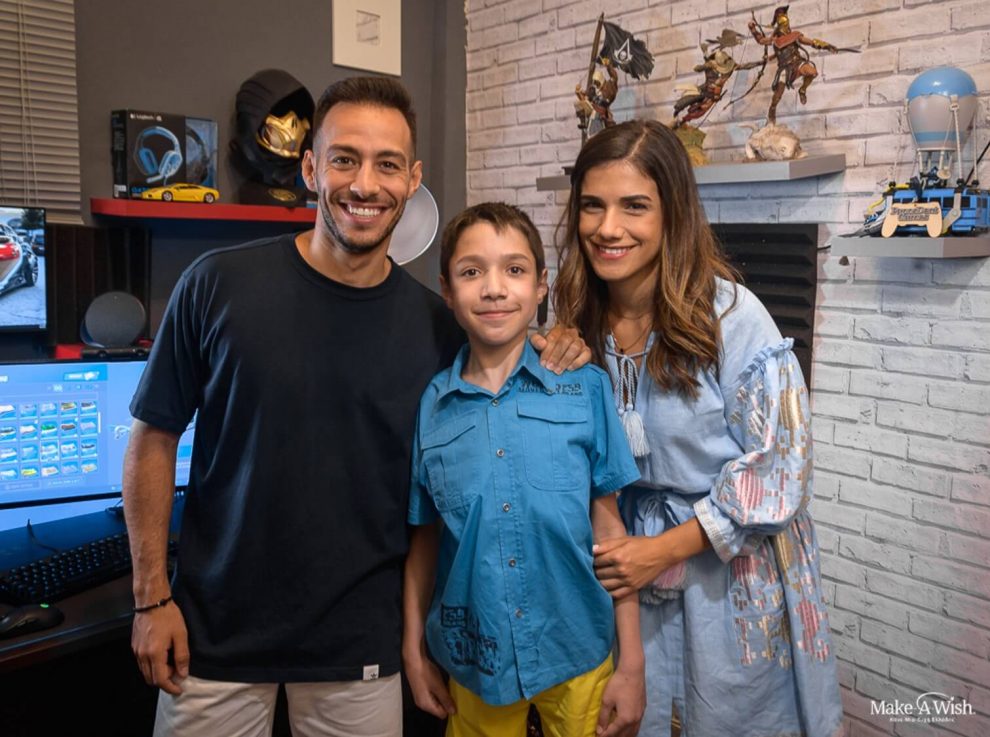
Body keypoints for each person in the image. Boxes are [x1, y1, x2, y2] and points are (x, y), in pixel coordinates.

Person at [123, 76, 588, 737]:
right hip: (211, 639)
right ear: (311, 168)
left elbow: (502, 378)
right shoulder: (217, 285)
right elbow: (153, 438)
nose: (365, 184)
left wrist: (560, 342)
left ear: (412, 179)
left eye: (387, 164)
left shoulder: (438, 330)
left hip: (361, 648)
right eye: (345, 159)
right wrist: (151, 597)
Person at [552, 119, 843, 737]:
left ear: (673, 213)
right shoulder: (580, 317)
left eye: (634, 206)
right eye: (592, 206)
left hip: (725, 579)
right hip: (623, 576)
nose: (608, 228)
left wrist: (660, 550)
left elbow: (781, 469)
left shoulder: (732, 317)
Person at [403, 202, 644, 737]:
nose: (494, 289)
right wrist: (413, 651)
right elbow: (426, 539)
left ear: (540, 287)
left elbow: (610, 530)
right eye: (472, 272)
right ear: (447, 291)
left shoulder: (584, 388)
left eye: (514, 269)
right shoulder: (433, 406)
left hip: (577, 645)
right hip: (475, 656)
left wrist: (632, 663)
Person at [748, 5, 838, 124]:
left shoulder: (795, 35)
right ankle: (772, 109)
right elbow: (761, 40)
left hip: (797, 63)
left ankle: (802, 90)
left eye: (784, 22)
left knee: (812, 72)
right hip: (784, 69)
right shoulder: (774, 40)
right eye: (781, 22)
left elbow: (811, 42)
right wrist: (753, 29)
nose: (784, 26)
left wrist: (827, 46)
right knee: (777, 95)